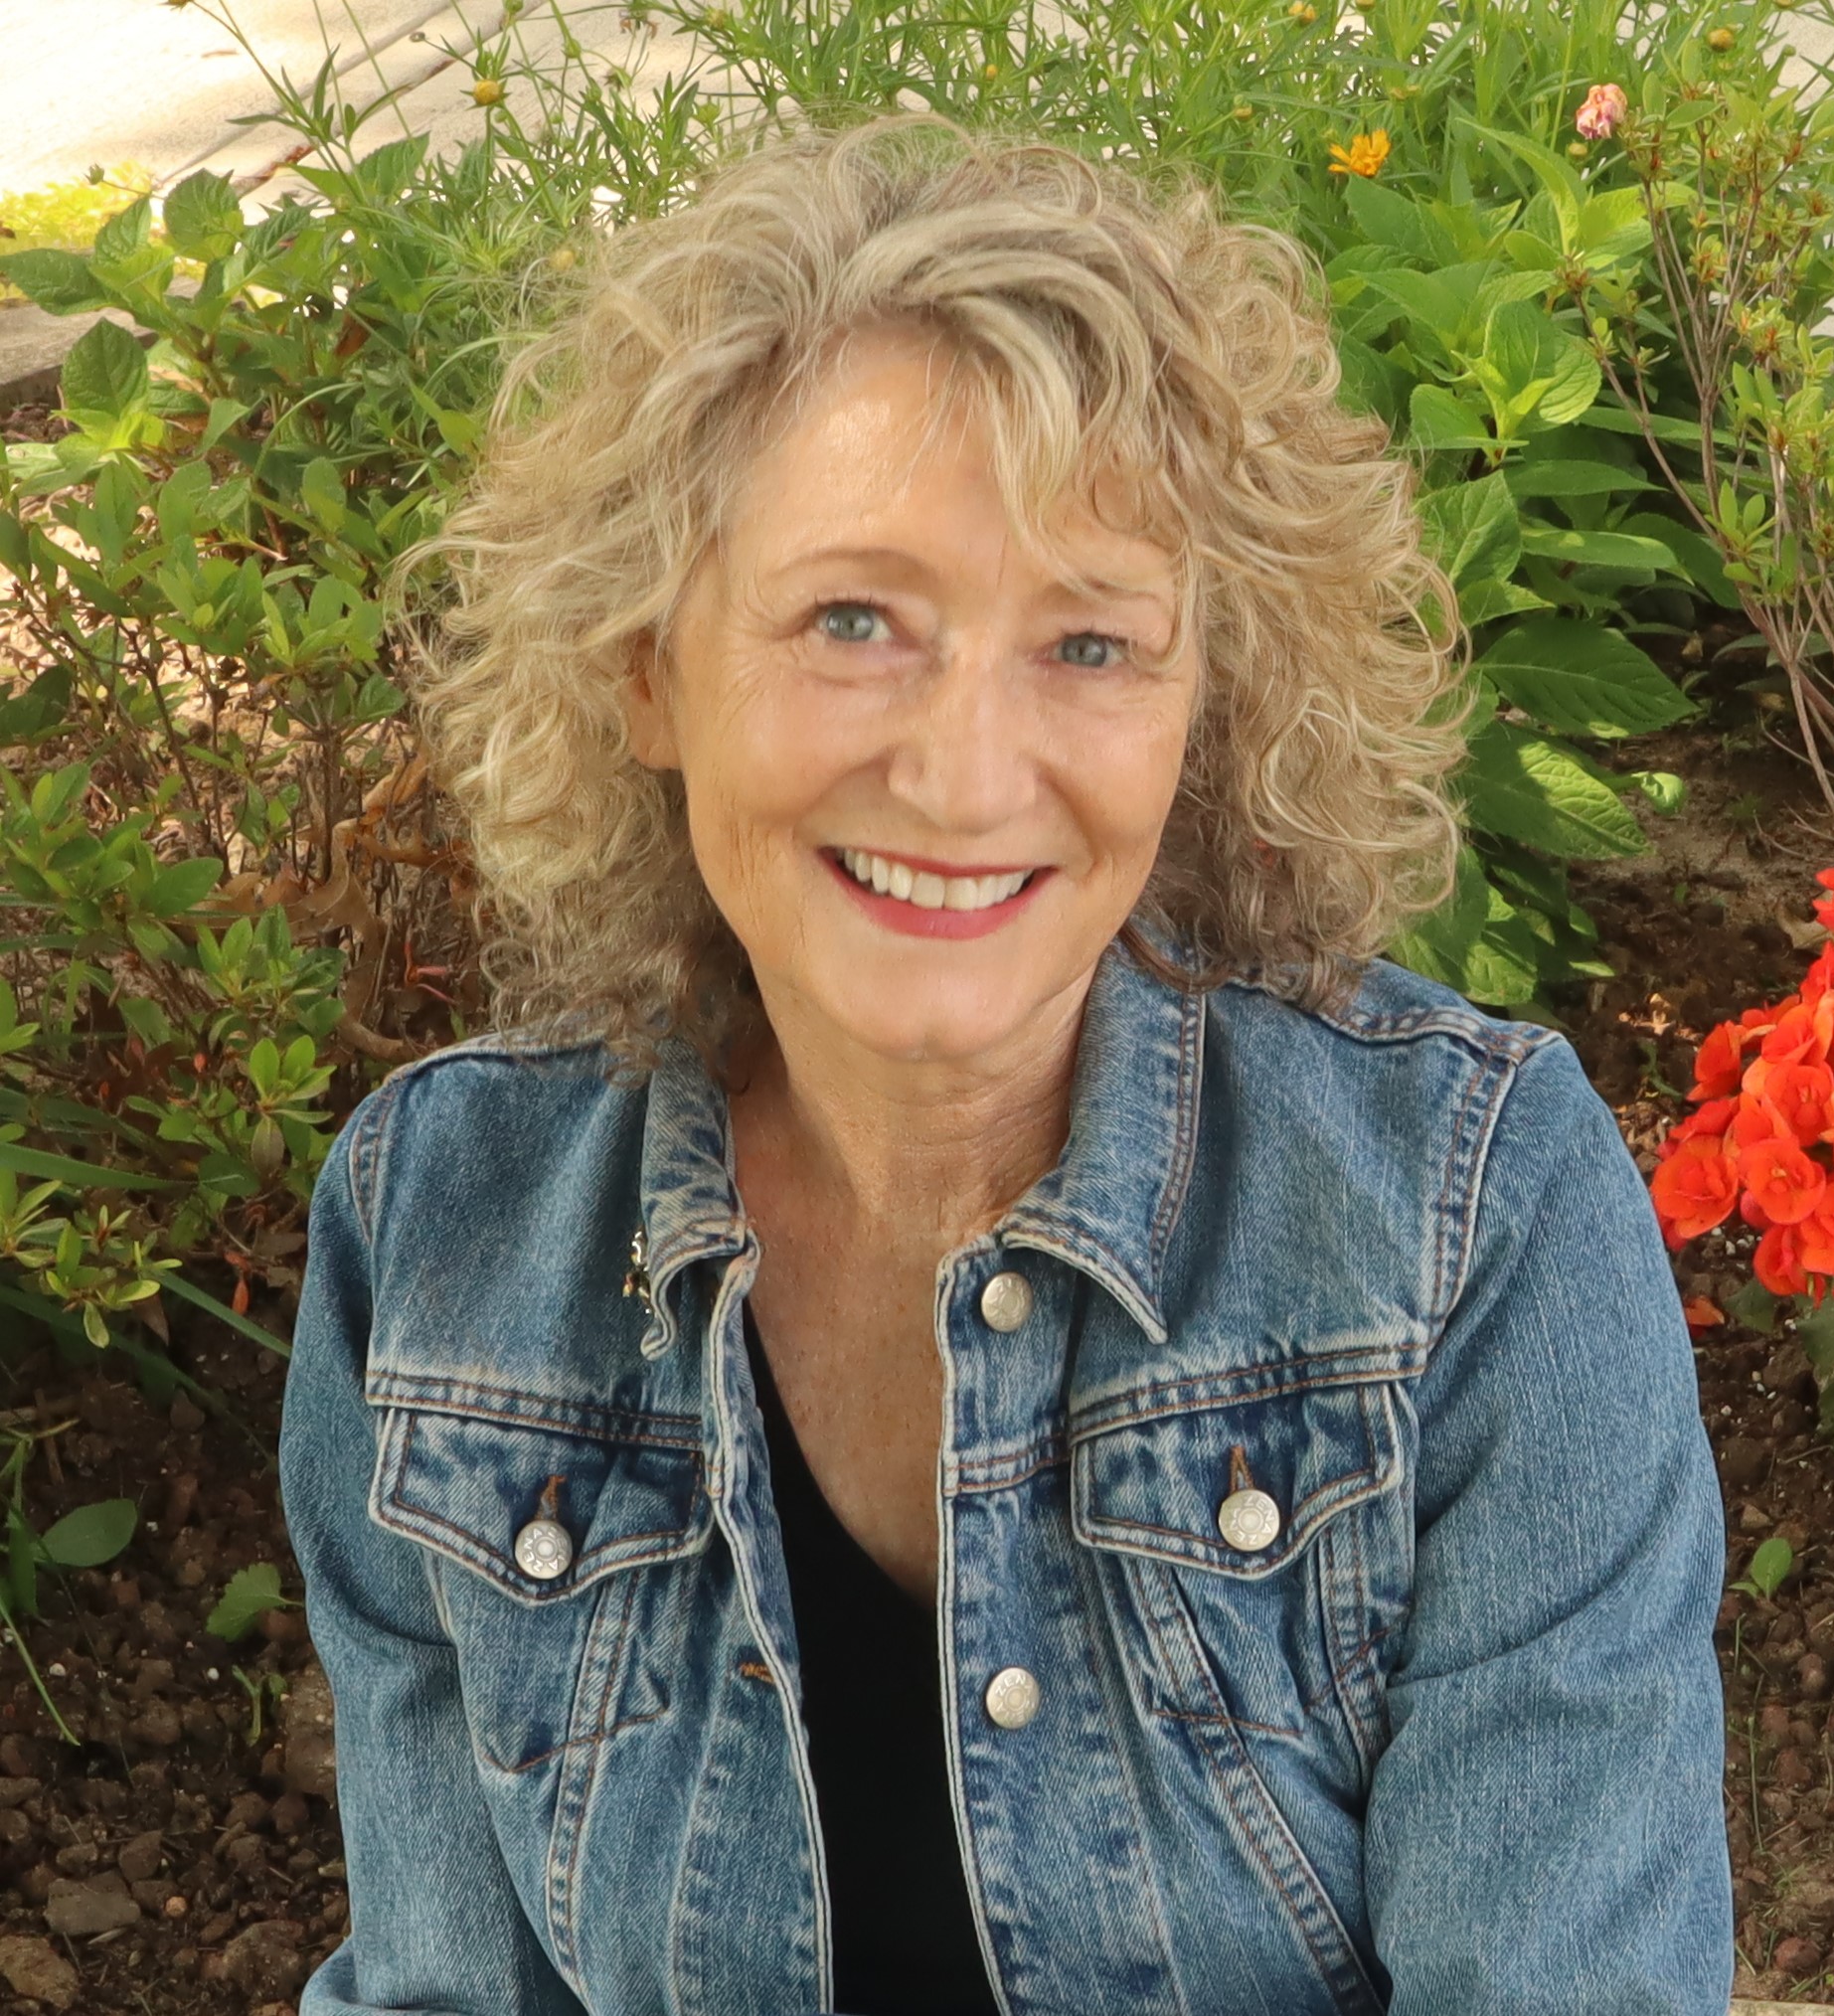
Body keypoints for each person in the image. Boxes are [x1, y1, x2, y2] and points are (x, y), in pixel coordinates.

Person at [279, 109, 1732, 2016]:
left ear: (1207, 701)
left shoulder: (1466, 1216)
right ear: (647, 664)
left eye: (1090, 645)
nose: (966, 776)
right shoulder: (438, 1235)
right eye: (854, 621)